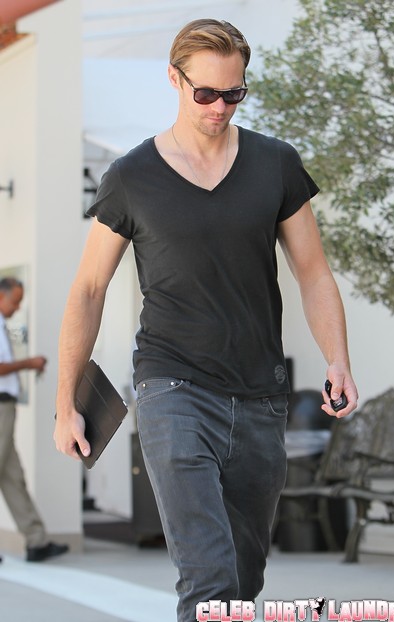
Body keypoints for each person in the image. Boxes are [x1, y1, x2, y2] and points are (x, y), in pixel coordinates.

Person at [54, 18, 358, 621]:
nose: (220, 107)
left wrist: (338, 359)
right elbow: (89, 289)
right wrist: (66, 402)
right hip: (172, 387)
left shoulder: (276, 164)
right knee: (209, 576)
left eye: (234, 93)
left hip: (260, 395)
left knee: (244, 576)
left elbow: (313, 273)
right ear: (174, 79)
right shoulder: (131, 177)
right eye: (206, 93)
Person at [0, 277, 69, 562]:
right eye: (15, 301)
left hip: (6, 409)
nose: (18, 307)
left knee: (12, 477)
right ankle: (36, 540)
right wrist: (29, 363)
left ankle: (36, 541)